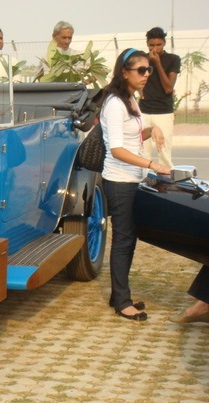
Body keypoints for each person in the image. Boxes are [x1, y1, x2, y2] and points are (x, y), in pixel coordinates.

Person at [100, 48, 170, 321]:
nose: (146, 75)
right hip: (119, 181)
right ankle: (122, 302)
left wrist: (152, 130)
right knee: (123, 239)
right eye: (141, 70)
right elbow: (116, 148)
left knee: (129, 239)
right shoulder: (115, 103)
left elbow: (131, 137)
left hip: (132, 179)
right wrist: (152, 165)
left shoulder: (129, 99)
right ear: (124, 72)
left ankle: (118, 294)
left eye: (148, 70)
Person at [139, 27, 181, 169]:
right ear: (147, 44)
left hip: (163, 112)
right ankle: (142, 184)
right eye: (152, 45)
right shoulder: (142, 59)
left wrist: (157, 63)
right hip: (144, 111)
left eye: (158, 45)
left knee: (164, 153)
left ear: (164, 43)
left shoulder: (173, 59)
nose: (155, 49)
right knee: (142, 153)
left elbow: (168, 88)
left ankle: (166, 184)